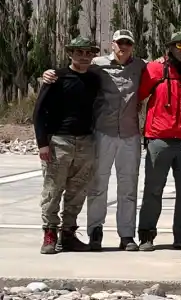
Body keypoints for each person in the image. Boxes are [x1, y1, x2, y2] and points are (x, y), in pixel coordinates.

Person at [40, 29, 145, 251]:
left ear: (132, 46)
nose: (123, 47)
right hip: (101, 133)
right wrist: (48, 73)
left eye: (128, 43)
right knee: (96, 186)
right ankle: (94, 232)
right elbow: (71, 71)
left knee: (128, 188)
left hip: (129, 134)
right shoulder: (96, 64)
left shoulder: (141, 65)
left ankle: (127, 235)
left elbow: (165, 65)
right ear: (112, 44)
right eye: (119, 43)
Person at [136, 31, 181, 252]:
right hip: (159, 140)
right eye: (179, 47)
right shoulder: (155, 69)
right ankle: (146, 236)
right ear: (170, 48)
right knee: (153, 190)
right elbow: (138, 97)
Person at [33, 37, 103, 254]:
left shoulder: (94, 79)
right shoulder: (56, 77)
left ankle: (69, 234)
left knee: (77, 191)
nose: (84, 57)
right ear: (70, 54)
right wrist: (43, 144)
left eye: (88, 53)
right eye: (79, 52)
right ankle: (50, 234)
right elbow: (38, 113)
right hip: (59, 142)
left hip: (86, 141)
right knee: (53, 190)